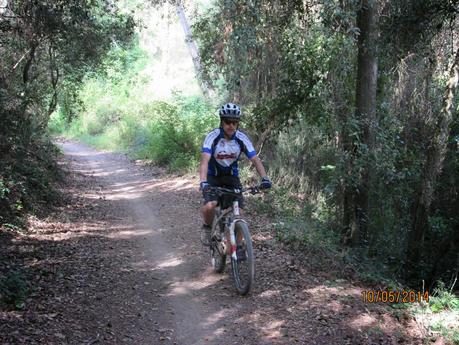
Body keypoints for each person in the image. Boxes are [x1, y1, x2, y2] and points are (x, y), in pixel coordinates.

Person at [199, 102, 272, 246]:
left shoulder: (241, 138)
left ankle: (237, 247)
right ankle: (207, 228)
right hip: (212, 177)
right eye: (227, 122)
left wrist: (265, 178)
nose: (231, 125)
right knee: (211, 205)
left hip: (231, 177)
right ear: (222, 122)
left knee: (240, 213)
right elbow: (204, 161)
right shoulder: (212, 137)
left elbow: (255, 159)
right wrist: (203, 182)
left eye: (234, 122)